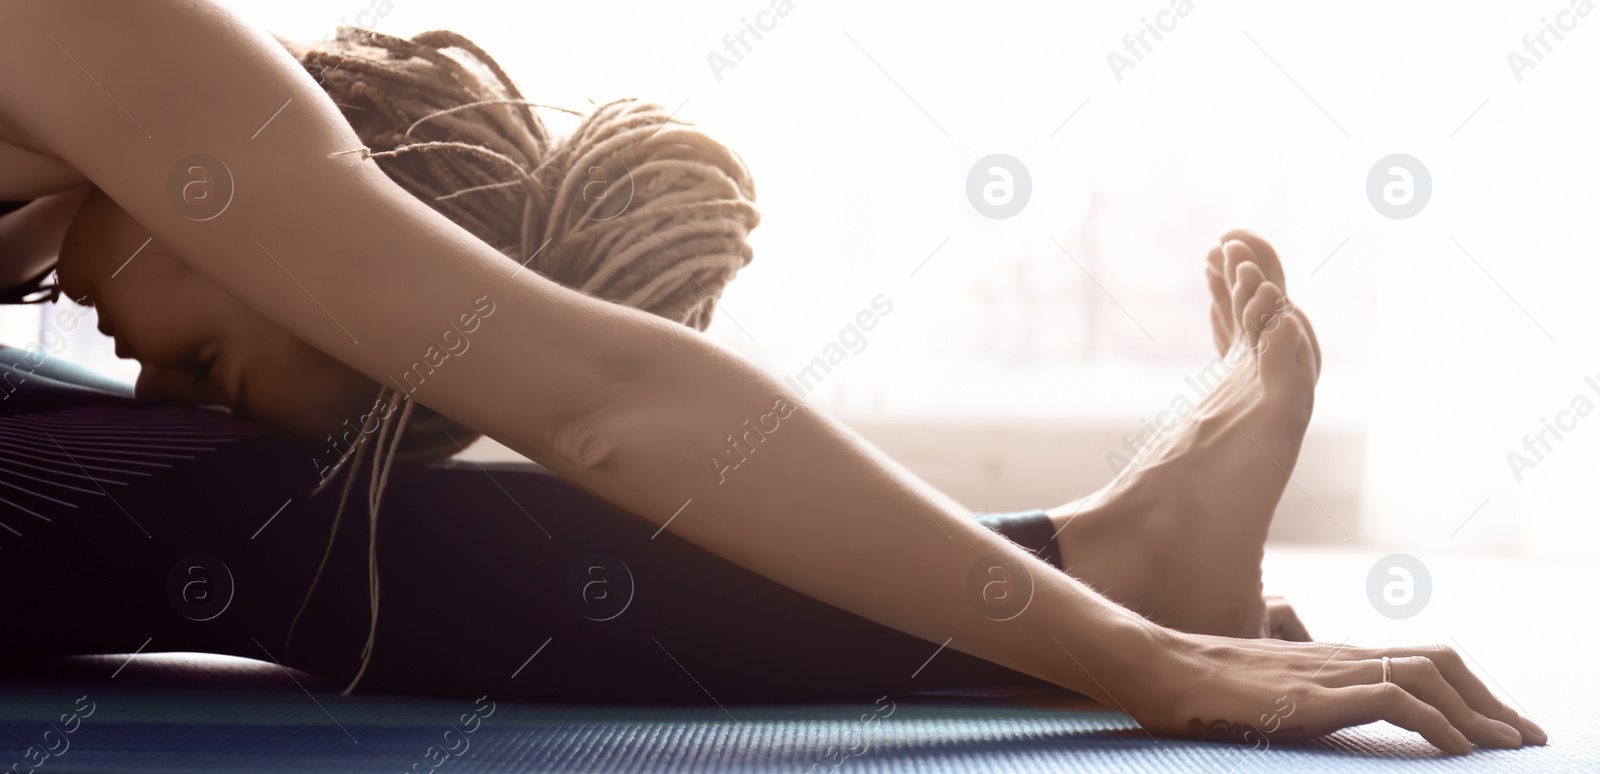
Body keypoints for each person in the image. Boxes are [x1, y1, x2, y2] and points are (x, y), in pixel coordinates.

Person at [0, 0, 1543, 754]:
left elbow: (615, 406)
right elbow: (606, 399)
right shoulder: (119, 43)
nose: (152, 388)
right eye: (210, 355)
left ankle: (1099, 562)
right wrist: (1139, 660)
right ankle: (1105, 568)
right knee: (241, 506)